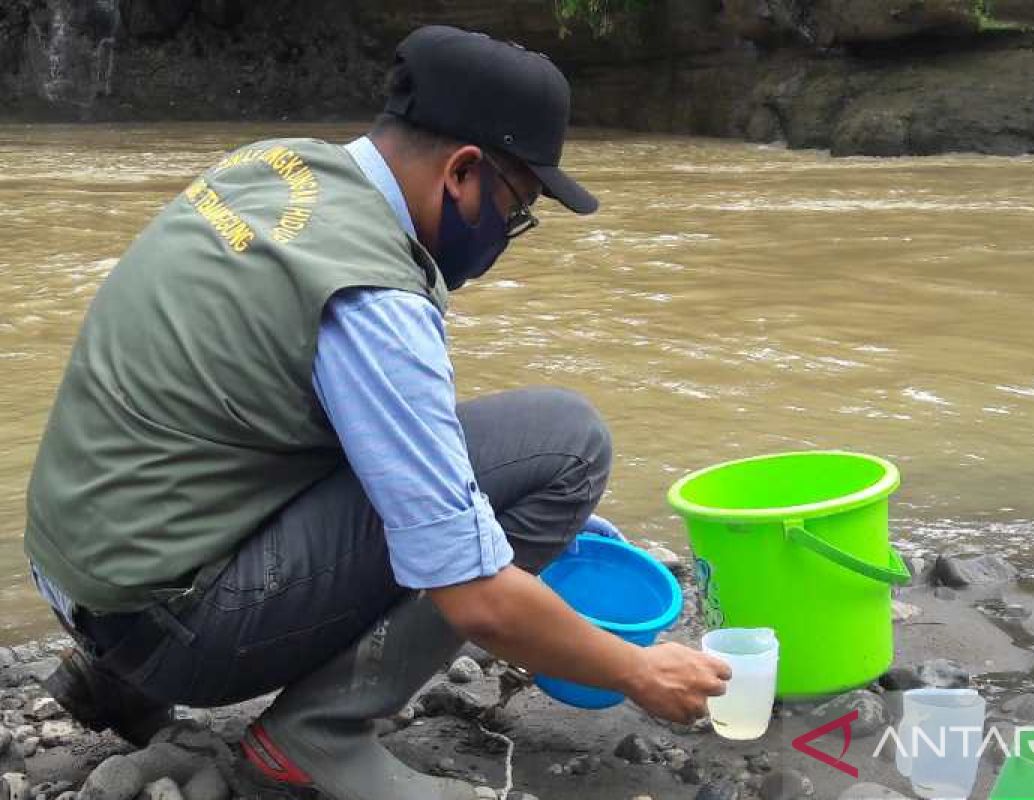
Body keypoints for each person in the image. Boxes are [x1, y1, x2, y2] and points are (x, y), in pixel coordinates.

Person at [23, 24, 730, 800]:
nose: (508, 237)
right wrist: (637, 670)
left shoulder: (271, 168)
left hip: (82, 578)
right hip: (169, 623)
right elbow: (479, 597)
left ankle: (115, 680)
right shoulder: (374, 298)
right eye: (517, 211)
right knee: (568, 445)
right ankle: (316, 733)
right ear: (463, 174)